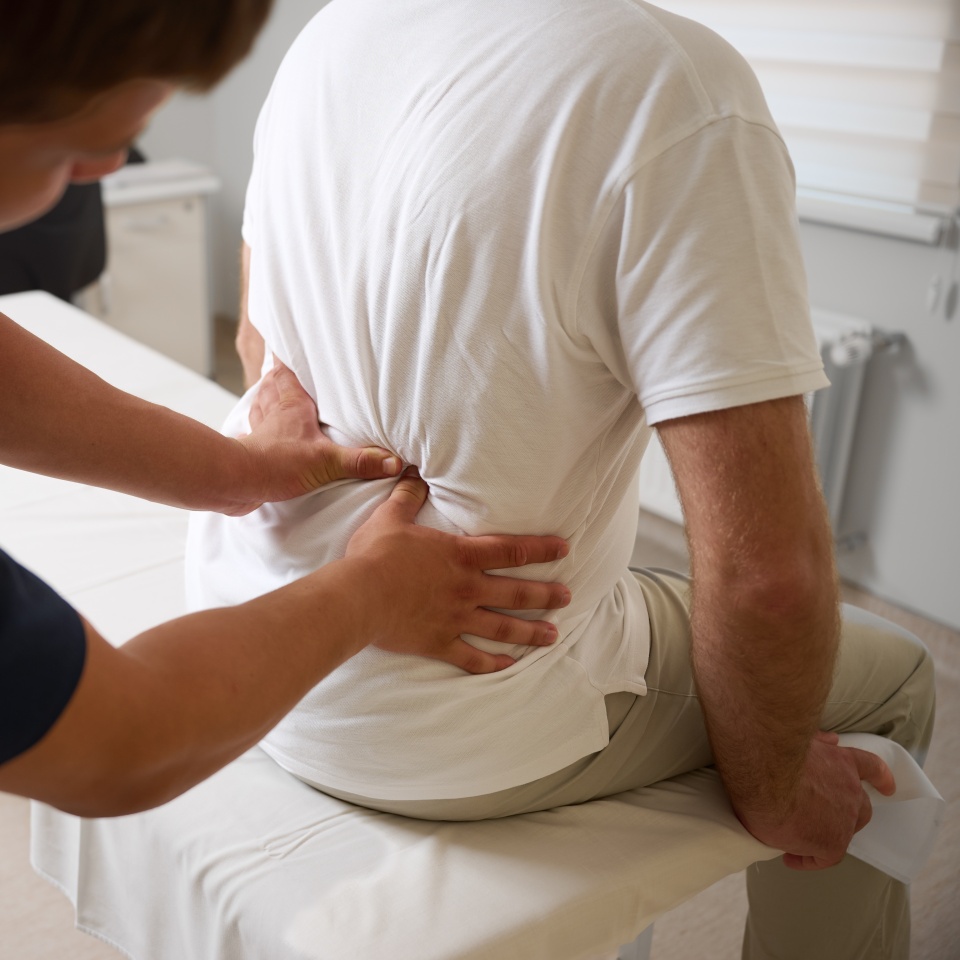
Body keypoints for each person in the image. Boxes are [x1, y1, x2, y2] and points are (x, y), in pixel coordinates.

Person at [193, 2, 935, 958]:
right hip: (441, 711)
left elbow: (261, 348)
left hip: (257, 620)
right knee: (896, 675)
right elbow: (769, 577)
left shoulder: (331, 33)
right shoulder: (678, 88)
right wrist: (782, 788)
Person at [0, 0, 573, 818]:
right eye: (75, 150)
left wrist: (230, 472)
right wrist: (373, 591)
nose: (111, 168)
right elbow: (114, 747)